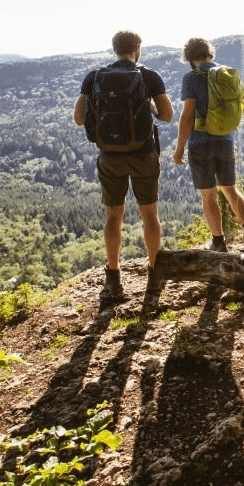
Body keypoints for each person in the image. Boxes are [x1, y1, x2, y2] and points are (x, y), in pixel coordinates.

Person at [74, 30, 173, 306]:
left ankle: (113, 279)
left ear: (114, 49)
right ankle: (154, 279)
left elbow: (78, 118)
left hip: (109, 156)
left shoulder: (94, 77)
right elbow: (166, 115)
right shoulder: (149, 76)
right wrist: (147, 105)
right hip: (143, 154)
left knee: (113, 217)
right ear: (137, 48)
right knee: (149, 215)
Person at [172, 37, 244, 254]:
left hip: (200, 142)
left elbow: (187, 116)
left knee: (208, 195)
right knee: (231, 189)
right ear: (209, 53)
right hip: (225, 139)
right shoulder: (227, 74)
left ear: (189, 57)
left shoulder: (192, 78)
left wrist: (179, 150)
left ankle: (219, 242)